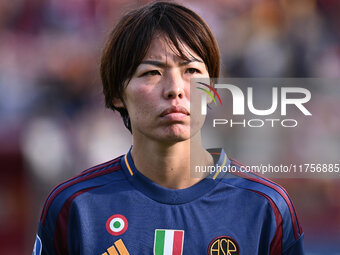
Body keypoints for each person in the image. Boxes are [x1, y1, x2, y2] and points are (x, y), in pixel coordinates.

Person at [32, 2, 304, 254]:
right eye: (152, 72)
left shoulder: (265, 207)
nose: (175, 89)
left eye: (192, 71)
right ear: (117, 93)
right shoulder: (75, 208)